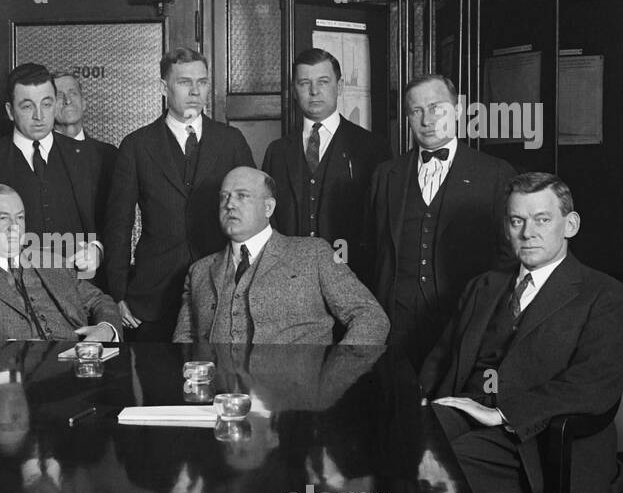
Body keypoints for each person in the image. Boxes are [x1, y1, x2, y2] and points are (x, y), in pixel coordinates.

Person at [419, 172, 623, 493]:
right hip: (467, 410)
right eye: (517, 220)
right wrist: (416, 403)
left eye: (542, 219)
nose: (528, 232)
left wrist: (503, 413)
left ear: (570, 224)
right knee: (402, 440)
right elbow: (440, 360)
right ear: (506, 228)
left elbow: (594, 386)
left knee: (442, 463)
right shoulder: (483, 286)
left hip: (540, 440)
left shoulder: (603, 294)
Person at [365, 73, 516, 368]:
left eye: (436, 108)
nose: (427, 120)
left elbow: (508, 257)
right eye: (416, 111)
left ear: (457, 111)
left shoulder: (496, 174)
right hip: (396, 328)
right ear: (407, 117)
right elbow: (370, 250)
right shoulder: (385, 176)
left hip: (464, 326)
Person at [105, 47, 256, 341]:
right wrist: (118, 293)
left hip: (221, 288)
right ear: (164, 87)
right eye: (185, 82)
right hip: (152, 295)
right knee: (158, 382)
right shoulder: (137, 146)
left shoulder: (231, 141)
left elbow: (253, 215)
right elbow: (118, 225)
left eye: (201, 82)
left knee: (220, 383)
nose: (195, 91)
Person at [173, 167, 387, 345]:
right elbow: (184, 340)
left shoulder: (314, 254)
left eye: (242, 196)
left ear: (268, 207)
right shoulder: (199, 270)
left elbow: (371, 316)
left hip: (298, 394)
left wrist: (334, 379)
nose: (230, 204)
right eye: (224, 197)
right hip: (219, 394)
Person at [0, 63, 104, 275]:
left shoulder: (88, 156)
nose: (39, 116)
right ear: (10, 111)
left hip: (79, 288)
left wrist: (98, 250)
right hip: (10, 294)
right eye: (27, 106)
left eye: (46, 104)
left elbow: (112, 224)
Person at [0, 184, 120, 342]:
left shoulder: (53, 263)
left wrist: (106, 328)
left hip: (76, 372)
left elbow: (100, 301)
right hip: (7, 382)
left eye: (20, 217)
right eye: (3, 218)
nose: (15, 227)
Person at [261, 48, 390, 278]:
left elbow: (379, 227)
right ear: (294, 90)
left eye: (323, 81)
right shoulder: (277, 152)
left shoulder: (372, 148)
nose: (314, 91)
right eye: (304, 83)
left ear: (339, 87)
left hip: (353, 277)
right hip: (289, 280)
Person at [53, 70, 118, 220]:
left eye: (73, 93)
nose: (67, 100)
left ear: (84, 103)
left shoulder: (110, 155)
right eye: (59, 95)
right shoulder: (39, 156)